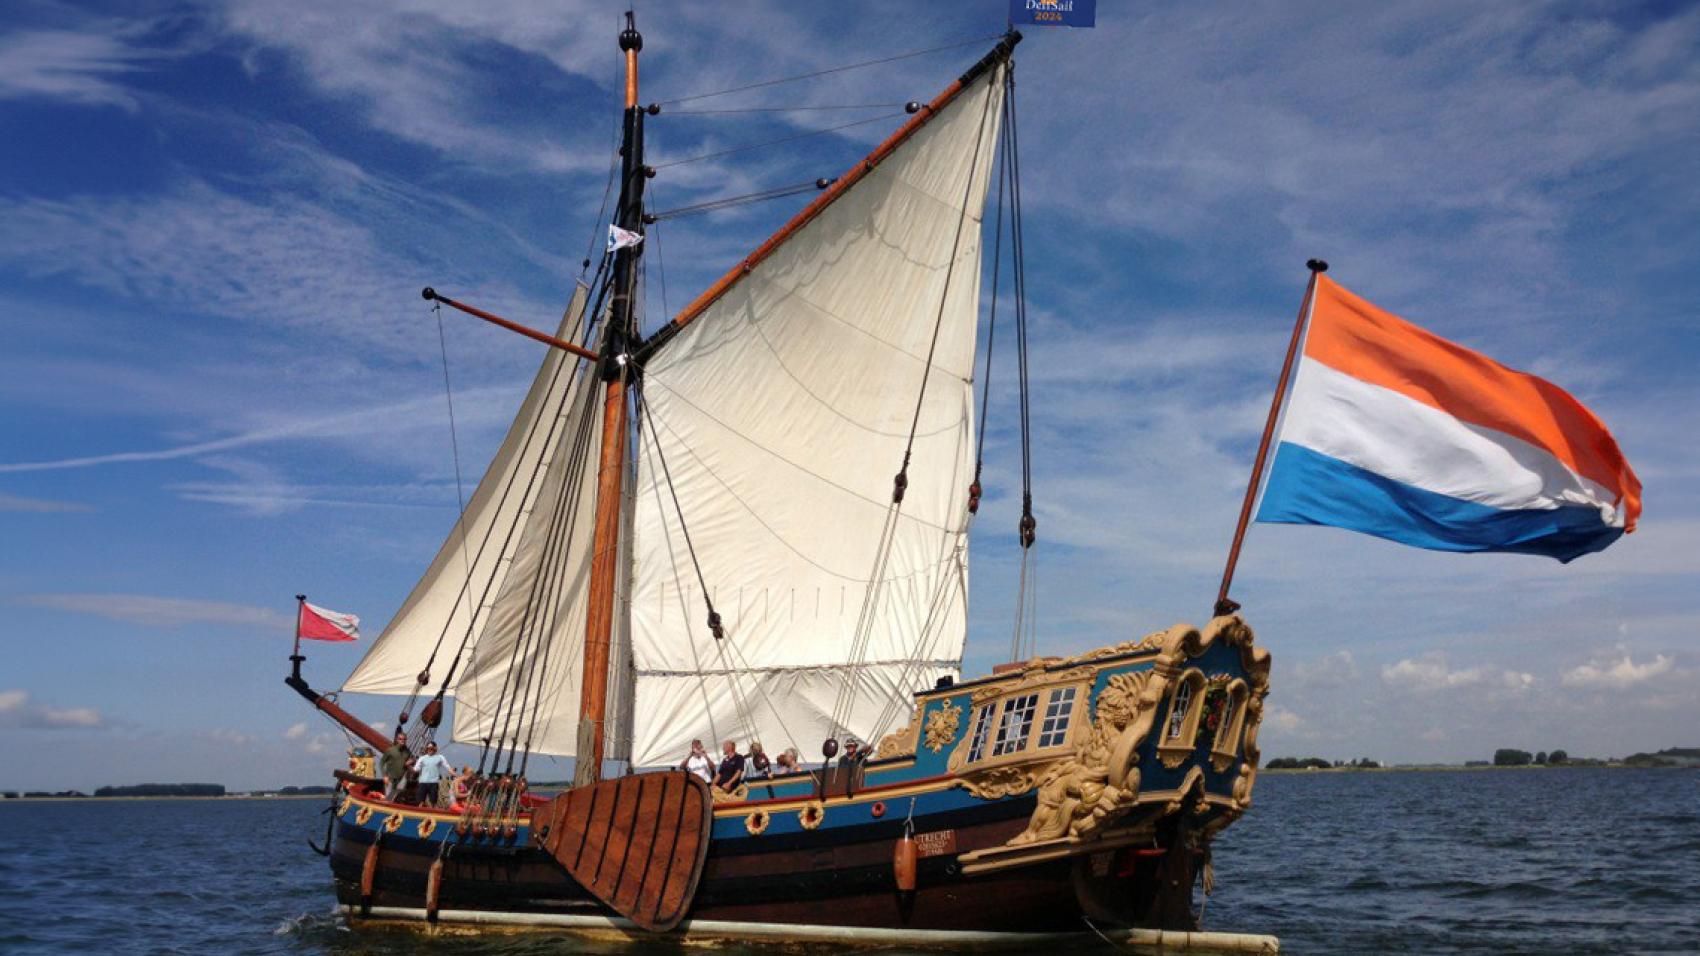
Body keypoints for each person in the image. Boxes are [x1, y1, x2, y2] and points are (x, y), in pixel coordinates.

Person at [413, 741, 453, 807]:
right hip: (423, 783)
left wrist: (455, 774)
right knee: (420, 802)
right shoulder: (422, 758)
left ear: (435, 748)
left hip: (433, 783)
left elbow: (447, 767)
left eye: (432, 748)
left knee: (433, 802)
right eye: (428, 748)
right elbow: (415, 769)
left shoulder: (440, 757)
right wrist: (408, 766)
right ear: (426, 749)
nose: (430, 750)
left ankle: (431, 814)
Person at [379, 731, 412, 801]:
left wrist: (412, 761)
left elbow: (413, 758)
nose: (402, 740)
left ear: (406, 740)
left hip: (401, 779)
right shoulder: (390, 750)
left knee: (396, 797)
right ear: (397, 740)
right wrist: (384, 776)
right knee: (388, 798)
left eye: (404, 739)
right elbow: (381, 762)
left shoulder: (407, 751)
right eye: (400, 739)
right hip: (390, 778)